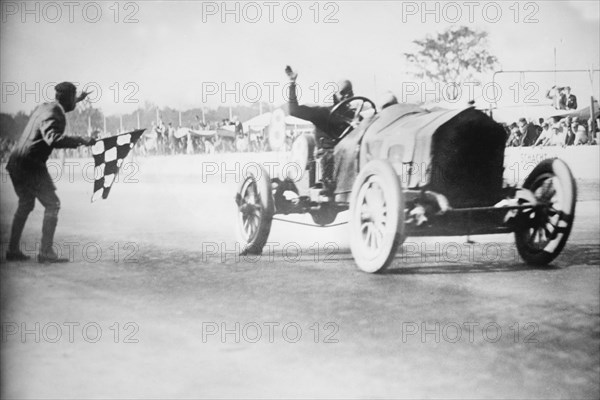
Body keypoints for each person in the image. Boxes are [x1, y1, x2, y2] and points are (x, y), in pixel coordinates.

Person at [6, 82, 95, 262]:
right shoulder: (55, 112)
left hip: (16, 162)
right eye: (74, 97)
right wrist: (82, 140)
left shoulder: (47, 107)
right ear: (67, 98)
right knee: (52, 204)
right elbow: (52, 139)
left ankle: (13, 250)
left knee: (25, 204)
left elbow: (63, 108)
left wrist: (79, 98)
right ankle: (46, 252)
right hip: (30, 164)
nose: (75, 102)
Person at [285, 65, 359, 193]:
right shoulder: (323, 113)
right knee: (330, 155)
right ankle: (329, 184)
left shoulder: (355, 116)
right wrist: (292, 83)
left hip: (349, 156)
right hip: (329, 156)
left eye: (350, 92)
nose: (347, 96)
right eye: (343, 93)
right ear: (335, 95)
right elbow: (294, 110)